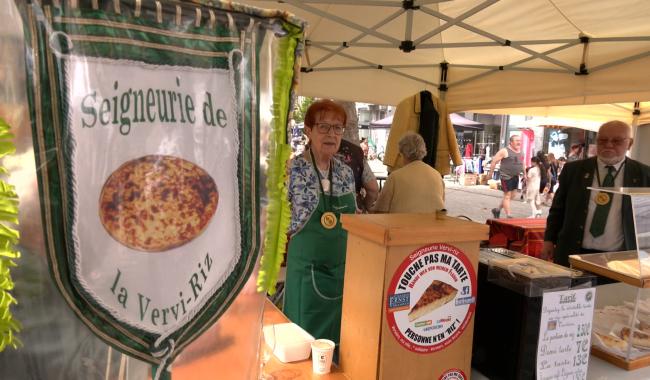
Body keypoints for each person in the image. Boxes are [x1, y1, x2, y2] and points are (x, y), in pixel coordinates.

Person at [284, 99, 357, 348]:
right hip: (305, 271)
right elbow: (274, 219)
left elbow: (353, 220)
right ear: (308, 130)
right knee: (303, 339)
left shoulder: (346, 173)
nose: (331, 134)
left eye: (338, 128)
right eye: (324, 127)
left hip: (341, 271)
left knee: (338, 341)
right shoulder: (292, 169)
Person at [541, 120, 650, 266]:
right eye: (603, 140)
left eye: (616, 141)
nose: (609, 145)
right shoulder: (573, 170)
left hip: (618, 259)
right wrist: (549, 239)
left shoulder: (644, 175)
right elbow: (557, 209)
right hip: (573, 252)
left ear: (629, 143)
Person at [372, 132, 445, 213]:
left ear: (403, 153)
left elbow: (380, 210)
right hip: (434, 224)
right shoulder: (437, 175)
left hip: (402, 224)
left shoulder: (395, 177)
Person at [487, 134, 524, 219]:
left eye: (520, 141)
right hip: (506, 176)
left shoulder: (521, 151)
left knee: (513, 196)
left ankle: (497, 209)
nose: (519, 142)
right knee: (507, 195)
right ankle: (509, 215)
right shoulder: (504, 151)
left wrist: (525, 174)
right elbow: (494, 161)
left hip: (516, 176)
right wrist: (490, 174)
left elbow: (523, 163)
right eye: (517, 140)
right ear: (511, 142)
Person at [337, 139, 379, 212]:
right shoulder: (354, 151)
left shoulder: (312, 150)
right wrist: (365, 206)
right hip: (352, 212)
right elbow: (373, 189)